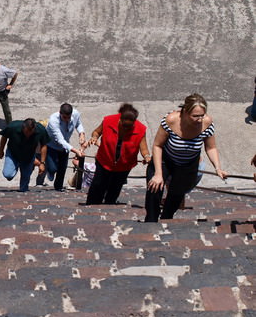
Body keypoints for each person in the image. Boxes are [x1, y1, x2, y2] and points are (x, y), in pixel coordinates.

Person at [145, 94, 227, 222]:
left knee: (176, 196)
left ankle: (166, 219)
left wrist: (218, 168)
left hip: (187, 164)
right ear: (185, 112)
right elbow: (157, 145)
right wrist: (158, 173)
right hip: (165, 160)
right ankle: (150, 221)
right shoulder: (171, 120)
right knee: (154, 189)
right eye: (195, 116)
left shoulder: (207, 123)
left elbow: (211, 148)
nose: (200, 119)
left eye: (202, 115)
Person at [86, 104, 151, 205]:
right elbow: (96, 132)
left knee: (114, 189)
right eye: (124, 126)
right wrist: (94, 137)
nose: (126, 129)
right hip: (104, 161)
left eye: (129, 127)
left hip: (123, 167)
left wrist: (146, 156)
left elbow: (144, 148)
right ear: (120, 119)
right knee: (98, 186)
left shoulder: (141, 129)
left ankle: (109, 206)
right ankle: (91, 205)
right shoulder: (108, 121)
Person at [0, 118, 50, 192]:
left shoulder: (40, 130)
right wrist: (1, 150)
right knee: (8, 175)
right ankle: (16, 165)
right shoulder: (13, 127)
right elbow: (4, 137)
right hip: (13, 153)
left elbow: (44, 145)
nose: (28, 134)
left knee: (24, 184)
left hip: (28, 156)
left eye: (30, 132)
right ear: (23, 127)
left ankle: (23, 195)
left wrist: (42, 163)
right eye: (26, 132)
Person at [45, 103, 87, 191]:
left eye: (69, 117)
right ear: (60, 113)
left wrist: (81, 134)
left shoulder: (75, 114)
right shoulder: (53, 120)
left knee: (62, 168)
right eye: (64, 118)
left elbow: (78, 124)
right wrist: (76, 151)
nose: (67, 120)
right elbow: (60, 140)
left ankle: (58, 188)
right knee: (53, 168)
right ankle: (49, 170)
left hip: (65, 147)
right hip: (51, 145)